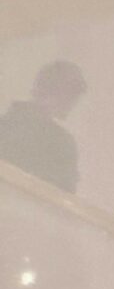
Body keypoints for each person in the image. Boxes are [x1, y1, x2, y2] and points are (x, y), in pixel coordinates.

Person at [0, 59, 87, 194]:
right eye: (69, 94)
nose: (71, 104)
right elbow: (63, 196)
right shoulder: (61, 144)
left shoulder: (6, 125)